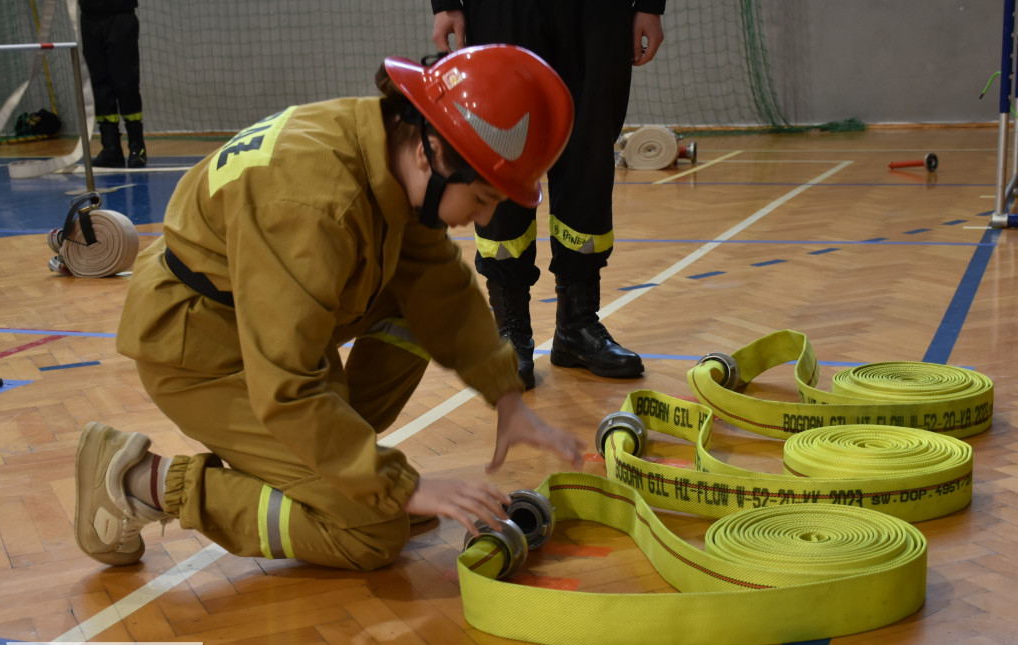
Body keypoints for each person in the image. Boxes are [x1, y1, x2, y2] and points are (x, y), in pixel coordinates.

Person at [73, 45, 585, 571]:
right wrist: (398, 488)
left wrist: (505, 397)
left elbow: (440, 287)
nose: (484, 219)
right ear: (430, 151)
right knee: (370, 531)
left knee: (416, 306)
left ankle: (315, 472)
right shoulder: (313, 205)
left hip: (253, 317)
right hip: (198, 350)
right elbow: (288, 387)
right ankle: (136, 481)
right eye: (482, 199)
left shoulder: (385, 141)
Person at [431, 1, 665, 389]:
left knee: (589, 161)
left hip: (597, 13)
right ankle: (510, 331)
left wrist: (650, 5)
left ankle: (577, 326)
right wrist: (445, 4)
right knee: (502, 153)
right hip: (501, 9)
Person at [79, 0, 147, 168]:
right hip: (90, 18)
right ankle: (111, 149)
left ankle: (137, 147)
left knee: (126, 84)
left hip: (120, 15)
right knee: (99, 86)